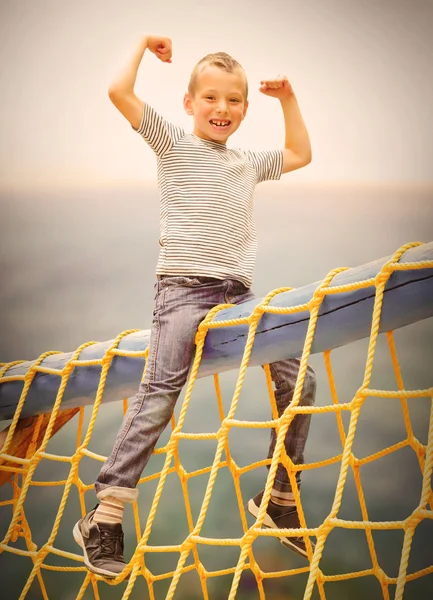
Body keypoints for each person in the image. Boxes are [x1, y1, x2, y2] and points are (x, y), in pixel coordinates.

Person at [73, 34, 317, 578]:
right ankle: (105, 517)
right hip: (182, 289)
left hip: (238, 292)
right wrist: (139, 45)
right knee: (161, 391)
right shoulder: (172, 145)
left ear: (244, 110)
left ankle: (279, 498)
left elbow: (301, 154)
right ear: (189, 104)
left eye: (233, 100)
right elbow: (118, 90)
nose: (222, 109)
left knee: (299, 376)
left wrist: (288, 99)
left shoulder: (247, 163)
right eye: (210, 97)